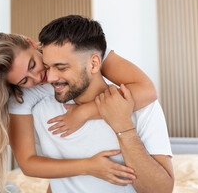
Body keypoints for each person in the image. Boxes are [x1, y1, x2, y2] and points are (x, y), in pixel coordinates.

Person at [0, 21, 157, 192]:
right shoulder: (22, 98)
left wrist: (84, 113)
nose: (40, 78)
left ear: (32, 44)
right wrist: (88, 167)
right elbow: (28, 163)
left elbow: (147, 91)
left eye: (33, 65)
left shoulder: (85, 54)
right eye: (24, 80)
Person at [9, 15, 174, 192]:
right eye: (48, 67)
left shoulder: (142, 107)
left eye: (62, 67)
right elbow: (50, 176)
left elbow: (160, 190)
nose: (48, 78)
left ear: (95, 63)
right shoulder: (41, 111)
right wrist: (87, 167)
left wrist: (123, 127)